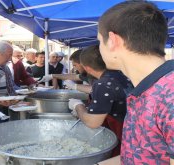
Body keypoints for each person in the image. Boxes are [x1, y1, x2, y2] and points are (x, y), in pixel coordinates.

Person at [98, 1, 174, 164]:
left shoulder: (170, 95)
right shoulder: (147, 88)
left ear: (112, 41)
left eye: (99, 41)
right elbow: (143, 154)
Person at [68, 45, 132, 156]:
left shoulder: (103, 84)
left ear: (86, 67)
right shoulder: (120, 74)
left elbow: (92, 122)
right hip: (133, 129)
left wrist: (78, 106)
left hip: (124, 133)